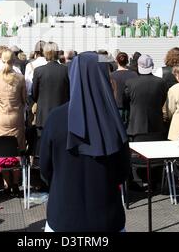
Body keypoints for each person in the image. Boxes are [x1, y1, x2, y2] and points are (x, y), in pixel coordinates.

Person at [39, 52, 130, 232]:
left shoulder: (55, 118)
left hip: (63, 216)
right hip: (107, 218)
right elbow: (123, 172)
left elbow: (45, 169)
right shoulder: (113, 119)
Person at [0, 50, 26, 196]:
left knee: (3, 151)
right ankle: (16, 184)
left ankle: (6, 183)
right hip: (16, 117)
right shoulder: (20, 78)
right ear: (14, 60)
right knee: (17, 151)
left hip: (1, 118)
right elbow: (24, 99)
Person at [125, 55, 168, 137]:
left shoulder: (130, 83)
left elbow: (126, 101)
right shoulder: (161, 82)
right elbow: (163, 100)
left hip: (136, 126)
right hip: (156, 125)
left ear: (138, 66)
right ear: (152, 66)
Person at [32, 42, 69, 129]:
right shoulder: (66, 70)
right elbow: (69, 92)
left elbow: (34, 94)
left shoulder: (38, 71)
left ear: (45, 53)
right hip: (61, 113)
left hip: (43, 115)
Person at [111, 52, 138, 127]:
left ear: (116, 61)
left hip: (116, 106)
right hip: (130, 107)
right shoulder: (134, 74)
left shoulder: (112, 75)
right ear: (127, 61)